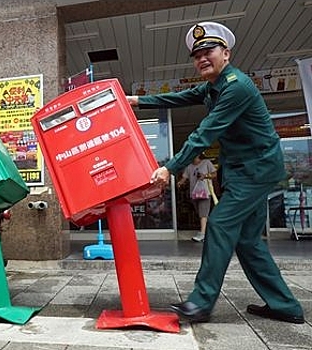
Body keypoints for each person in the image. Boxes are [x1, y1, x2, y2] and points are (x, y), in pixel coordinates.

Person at [127, 22, 304, 324]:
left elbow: (204, 134)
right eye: (196, 56)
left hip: (256, 169)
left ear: (227, 53)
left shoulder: (237, 87)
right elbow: (178, 98)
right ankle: (286, 306)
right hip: (240, 170)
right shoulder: (213, 86)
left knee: (220, 225)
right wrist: (138, 101)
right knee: (248, 241)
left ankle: (201, 302)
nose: (202, 59)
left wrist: (170, 167)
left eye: (208, 51)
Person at [177, 154, 216, 242]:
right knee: (201, 213)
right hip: (194, 193)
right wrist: (180, 182)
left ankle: (202, 234)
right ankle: (209, 232)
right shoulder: (189, 166)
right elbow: (185, 177)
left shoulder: (206, 163)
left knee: (203, 213)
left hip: (205, 192)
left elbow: (214, 174)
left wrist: (205, 176)